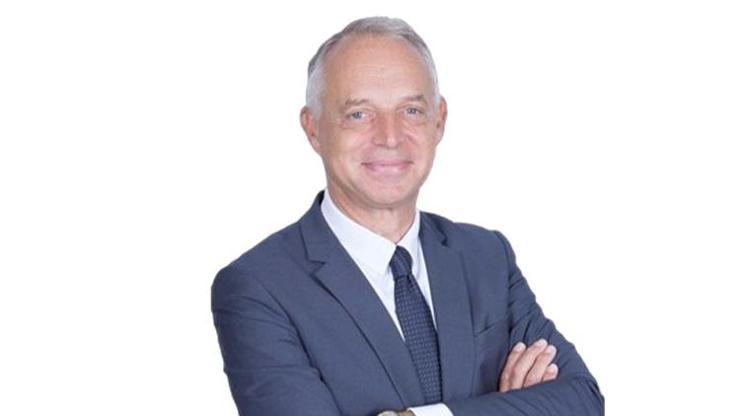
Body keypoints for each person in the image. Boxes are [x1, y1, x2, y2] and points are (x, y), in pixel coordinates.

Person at [211, 16, 604, 416]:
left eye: (411, 110)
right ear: (313, 128)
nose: (390, 136)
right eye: (359, 114)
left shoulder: (486, 256)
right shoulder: (258, 288)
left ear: (439, 120)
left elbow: (583, 401)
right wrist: (510, 407)